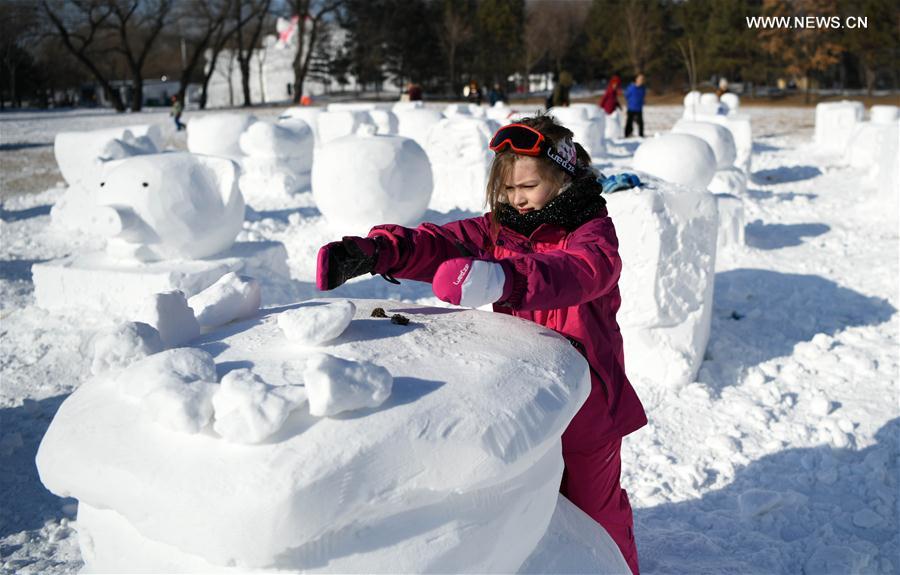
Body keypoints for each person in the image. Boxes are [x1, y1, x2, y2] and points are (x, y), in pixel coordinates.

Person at [315, 114, 647, 575]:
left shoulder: (591, 231)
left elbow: (583, 272)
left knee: (594, 508)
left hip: (591, 403)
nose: (516, 199)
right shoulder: (500, 229)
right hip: (532, 390)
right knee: (536, 504)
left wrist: (503, 279)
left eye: (527, 187)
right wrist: (377, 251)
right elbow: (441, 243)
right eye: (508, 189)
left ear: (562, 177)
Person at [624, 74, 646, 138]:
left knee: (641, 123)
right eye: (640, 79)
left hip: (639, 108)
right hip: (631, 107)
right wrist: (630, 101)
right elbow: (626, 95)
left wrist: (642, 102)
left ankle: (641, 135)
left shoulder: (643, 88)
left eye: (642, 79)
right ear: (636, 79)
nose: (641, 80)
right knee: (629, 122)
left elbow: (643, 96)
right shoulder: (631, 87)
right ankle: (627, 134)